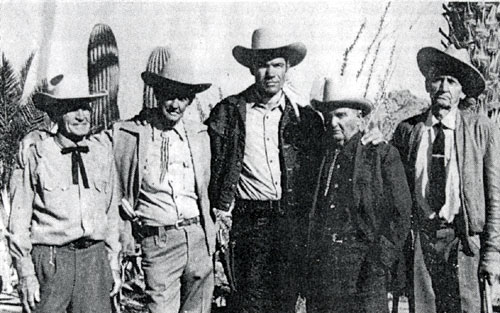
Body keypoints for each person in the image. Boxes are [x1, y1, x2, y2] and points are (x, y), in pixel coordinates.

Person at [206, 27, 324, 313]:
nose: (270, 72)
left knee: (285, 300)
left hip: (290, 220)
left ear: (287, 68)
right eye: (262, 65)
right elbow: (211, 165)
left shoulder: (304, 118)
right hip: (249, 220)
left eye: (277, 65)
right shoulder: (229, 112)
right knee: (248, 301)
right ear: (251, 68)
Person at [391, 45, 500, 313]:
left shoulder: (480, 129)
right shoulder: (408, 131)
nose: (443, 87)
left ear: (462, 91)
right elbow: (395, 195)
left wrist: (492, 253)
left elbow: (495, 195)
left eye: (451, 81)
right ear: (427, 84)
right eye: (437, 79)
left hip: (463, 241)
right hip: (422, 242)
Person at [8, 73, 121, 313]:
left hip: (94, 262)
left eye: (85, 107)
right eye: (72, 108)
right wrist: (26, 273)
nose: (81, 115)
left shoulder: (102, 152)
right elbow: (18, 220)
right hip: (50, 261)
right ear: (56, 113)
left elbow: (111, 214)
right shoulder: (35, 151)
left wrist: (113, 263)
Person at [113, 54, 216, 313]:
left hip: (197, 237)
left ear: (191, 100)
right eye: (170, 95)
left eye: (183, 97)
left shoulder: (200, 135)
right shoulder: (130, 134)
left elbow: (207, 188)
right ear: (158, 94)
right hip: (158, 240)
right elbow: (108, 176)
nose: (175, 104)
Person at [307, 77, 412, 313]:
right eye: (329, 116)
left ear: (360, 117)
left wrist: (378, 262)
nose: (333, 122)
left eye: (341, 115)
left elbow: (401, 213)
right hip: (324, 267)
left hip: (365, 267)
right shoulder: (322, 156)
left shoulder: (381, 154)